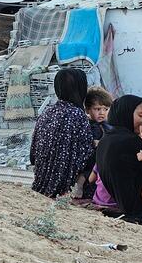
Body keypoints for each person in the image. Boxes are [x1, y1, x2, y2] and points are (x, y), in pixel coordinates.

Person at [29, 68, 94, 198]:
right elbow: (86, 153)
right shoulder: (77, 114)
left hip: (41, 181)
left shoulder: (47, 112)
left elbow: (33, 154)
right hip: (63, 183)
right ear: (80, 89)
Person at [77, 87, 112, 199]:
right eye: (97, 109)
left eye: (105, 109)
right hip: (91, 159)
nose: (102, 113)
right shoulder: (88, 126)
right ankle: (79, 185)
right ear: (87, 110)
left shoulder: (108, 125)